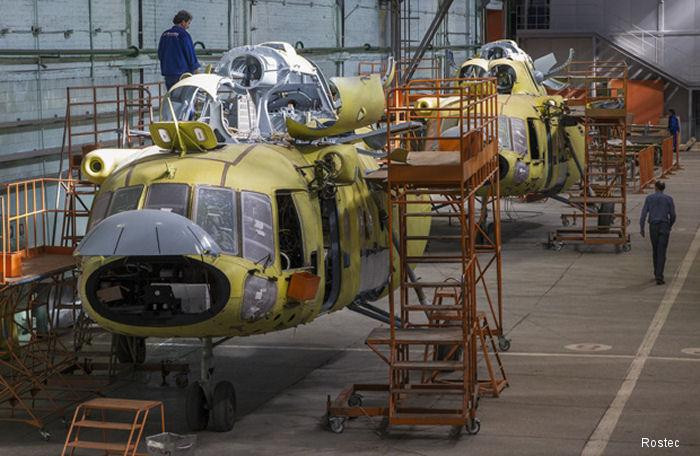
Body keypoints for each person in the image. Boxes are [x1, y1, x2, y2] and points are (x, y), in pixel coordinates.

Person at [640, 181, 676, 285]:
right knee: (662, 251)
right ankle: (659, 275)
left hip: (653, 226)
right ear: (663, 188)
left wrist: (642, 227)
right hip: (664, 226)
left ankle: (656, 273)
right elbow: (673, 215)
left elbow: (643, 214)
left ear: (655, 187)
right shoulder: (669, 199)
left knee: (655, 250)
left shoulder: (649, 198)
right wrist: (669, 225)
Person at [157, 10, 200, 90]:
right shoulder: (184, 35)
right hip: (182, 75)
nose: (188, 26)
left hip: (168, 74)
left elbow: (160, 54)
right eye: (188, 23)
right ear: (183, 22)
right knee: (184, 97)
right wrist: (196, 70)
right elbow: (190, 54)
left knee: (172, 96)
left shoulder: (164, 34)